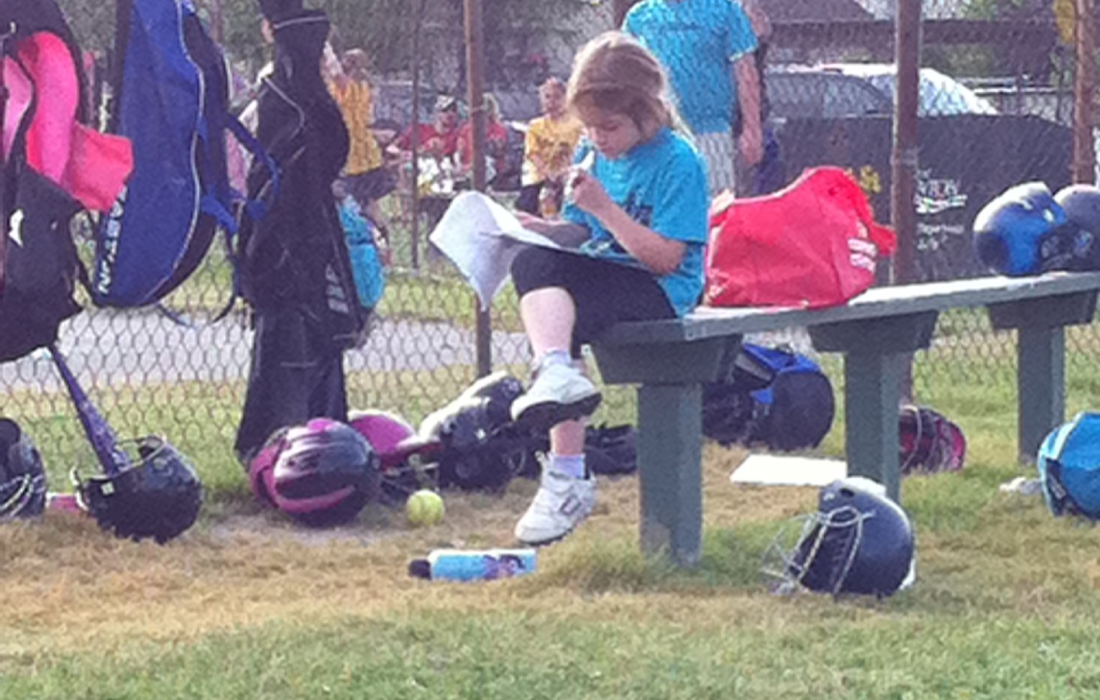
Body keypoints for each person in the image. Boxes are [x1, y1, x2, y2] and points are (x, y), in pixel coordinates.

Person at [505, 32, 708, 545]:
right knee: (534, 263)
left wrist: (605, 210)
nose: (599, 139)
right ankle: (563, 442)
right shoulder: (596, 153)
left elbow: (666, 259)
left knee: (559, 295)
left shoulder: (678, 161)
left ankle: (568, 467)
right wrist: (538, 230)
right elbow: (581, 233)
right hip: (610, 270)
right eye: (590, 128)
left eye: (610, 127)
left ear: (649, 111)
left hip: (661, 290)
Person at [234, 0, 367, 465]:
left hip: (288, 242)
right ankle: (306, 438)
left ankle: (282, 448)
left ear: (271, 32)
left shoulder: (281, 95)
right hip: (305, 240)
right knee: (305, 334)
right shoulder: (304, 97)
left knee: (292, 337)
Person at [623, 0, 762, 196]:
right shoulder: (638, 17)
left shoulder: (724, 9)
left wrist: (752, 129)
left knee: (714, 205)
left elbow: (746, 71)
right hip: (657, 134)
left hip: (712, 132)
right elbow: (626, 74)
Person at [328, 48, 397, 230]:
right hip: (368, 154)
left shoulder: (347, 87)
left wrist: (325, 45)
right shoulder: (364, 86)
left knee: (346, 202)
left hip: (351, 156)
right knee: (370, 203)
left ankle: (362, 235)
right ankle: (382, 235)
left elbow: (334, 71)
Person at [516, 77, 583, 216]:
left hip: (567, 174)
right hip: (539, 176)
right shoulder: (535, 126)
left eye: (557, 97)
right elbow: (533, 153)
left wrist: (565, 172)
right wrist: (548, 173)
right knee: (527, 205)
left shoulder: (576, 126)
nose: (551, 102)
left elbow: (579, 151)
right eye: (547, 97)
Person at [455, 92, 509, 186]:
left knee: (487, 162)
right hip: (466, 170)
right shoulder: (466, 129)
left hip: (491, 173)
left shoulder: (498, 129)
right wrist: (461, 165)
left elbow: (498, 151)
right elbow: (459, 152)